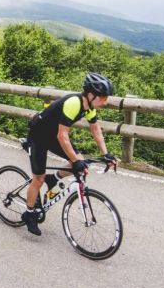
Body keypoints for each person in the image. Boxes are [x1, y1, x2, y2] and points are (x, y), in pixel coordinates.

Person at [21, 72, 119, 236]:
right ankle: (28, 213)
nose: (105, 101)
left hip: (53, 136)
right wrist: (74, 160)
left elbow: (95, 129)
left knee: (81, 164)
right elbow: (62, 135)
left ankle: (55, 178)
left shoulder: (89, 107)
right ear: (90, 94)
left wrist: (106, 154)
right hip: (38, 136)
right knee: (38, 178)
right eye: (102, 97)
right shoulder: (74, 103)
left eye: (106, 97)